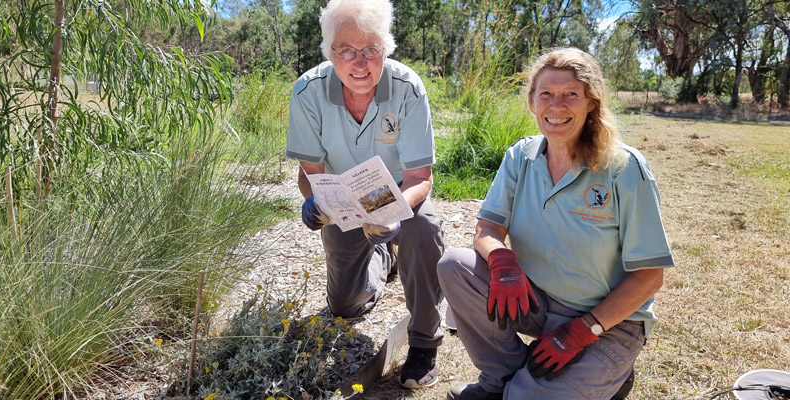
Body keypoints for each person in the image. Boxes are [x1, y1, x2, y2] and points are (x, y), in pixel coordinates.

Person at [437, 47, 675, 400]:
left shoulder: (624, 168)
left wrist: (583, 330)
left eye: (571, 95)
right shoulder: (521, 156)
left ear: (591, 102)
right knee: (455, 266)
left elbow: (650, 275)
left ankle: (608, 372)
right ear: (533, 101)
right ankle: (500, 378)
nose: (556, 105)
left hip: (609, 321)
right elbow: (487, 229)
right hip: (537, 300)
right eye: (546, 93)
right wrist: (502, 260)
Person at [285, 0, 445, 390]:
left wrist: (390, 215)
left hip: (394, 195)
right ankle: (385, 255)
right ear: (330, 52)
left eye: (372, 48)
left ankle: (424, 342)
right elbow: (310, 175)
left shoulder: (408, 87)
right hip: (341, 199)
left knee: (421, 226)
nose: (360, 62)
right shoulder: (307, 91)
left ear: (386, 48)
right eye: (346, 50)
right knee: (346, 307)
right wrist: (315, 203)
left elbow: (420, 177)